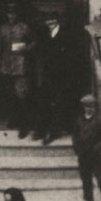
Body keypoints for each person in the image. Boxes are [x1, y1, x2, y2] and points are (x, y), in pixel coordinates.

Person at [32, 10, 85, 143]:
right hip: (47, 74)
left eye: (52, 21)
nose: (50, 23)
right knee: (45, 102)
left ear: (58, 21)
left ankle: (54, 132)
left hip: (62, 75)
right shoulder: (44, 34)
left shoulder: (66, 34)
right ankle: (42, 130)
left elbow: (72, 55)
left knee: (59, 103)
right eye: (47, 21)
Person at [0, 3, 37, 135]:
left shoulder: (24, 27)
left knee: (22, 95)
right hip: (6, 66)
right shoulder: (3, 29)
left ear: (17, 15)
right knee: (10, 95)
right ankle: (14, 119)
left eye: (13, 14)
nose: (11, 16)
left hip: (20, 65)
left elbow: (34, 42)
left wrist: (25, 48)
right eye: (9, 13)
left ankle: (24, 125)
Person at [72, 90, 101, 201]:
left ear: (95, 107)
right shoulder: (79, 120)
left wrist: (96, 149)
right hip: (83, 154)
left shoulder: (99, 121)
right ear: (83, 107)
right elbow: (74, 135)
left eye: (91, 106)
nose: (89, 109)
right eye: (87, 106)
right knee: (86, 179)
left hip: (94, 155)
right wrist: (77, 148)